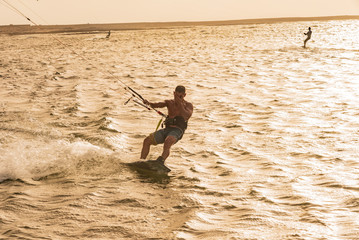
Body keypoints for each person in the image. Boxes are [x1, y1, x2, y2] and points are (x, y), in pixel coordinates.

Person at [140, 85, 193, 164]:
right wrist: (149, 103)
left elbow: (186, 115)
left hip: (177, 130)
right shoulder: (169, 102)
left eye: (181, 96)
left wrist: (180, 103)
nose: (178, 97)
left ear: (184, 95)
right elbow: (157, 105)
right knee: (147, 141)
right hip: (167, 129)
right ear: (174, 93)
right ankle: (141, 162)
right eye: (177, 95)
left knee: (168, 141)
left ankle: (161, 161)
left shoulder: (188, 105)